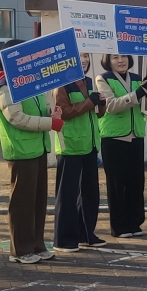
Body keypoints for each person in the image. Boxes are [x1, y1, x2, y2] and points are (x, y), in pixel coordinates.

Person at [0, 71, 59, 262]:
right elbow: (17, 118)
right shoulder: (5, 87)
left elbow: (43, 108)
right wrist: (50, 122)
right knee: (22, 202)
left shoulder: (32, 83)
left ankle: (37, 245)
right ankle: (20, 250)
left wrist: (52, 113)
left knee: (38, 201)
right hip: (21, 150)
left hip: (38, 148)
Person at [94, 54, 147, 238]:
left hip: (136, 135)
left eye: (124, 57)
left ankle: (134, 223)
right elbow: (110, 105)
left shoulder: (137, 77)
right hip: (114, 137)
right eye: (115, 58)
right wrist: (136, 94)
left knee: (136, 182)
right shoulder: (103, 78)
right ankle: (119, 226)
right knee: (117, 184)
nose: (121, 61)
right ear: (108, 61)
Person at [52, 56, 105, 252]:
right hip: (71, 145)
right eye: (78, 57)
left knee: (90, 194)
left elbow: (97, 114)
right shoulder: (61, 84)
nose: (82, 61)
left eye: (85, 58)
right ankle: (64, 238)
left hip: (90, 144)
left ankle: (86, 233)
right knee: (68, 194)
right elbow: (62, 112)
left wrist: (101, 103)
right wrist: (90, 103)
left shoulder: (89, 81)